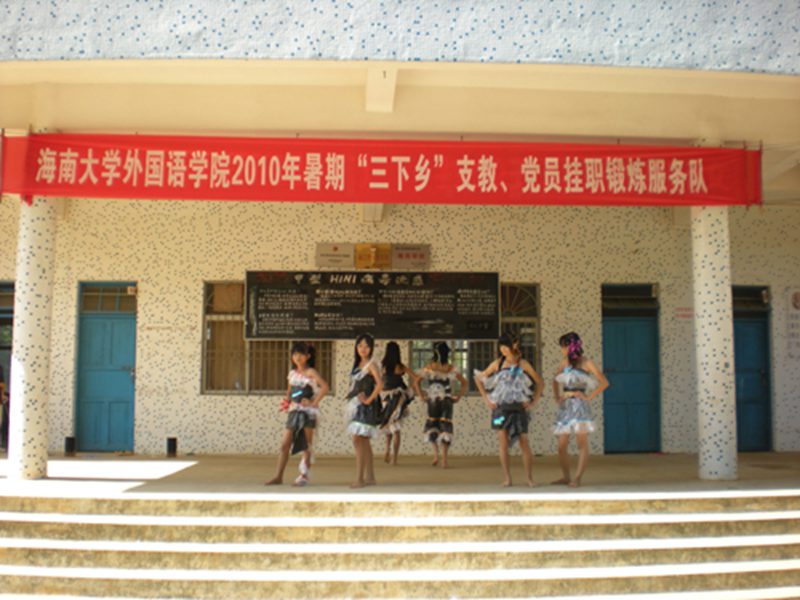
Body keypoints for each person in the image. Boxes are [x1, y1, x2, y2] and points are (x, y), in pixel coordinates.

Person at [475, 333, 543, 487]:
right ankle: (507, 478)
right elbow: (479, 378)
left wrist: (534, 400)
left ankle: (529, 478)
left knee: (524, 442)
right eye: (501, 346)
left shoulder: (523, 364)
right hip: (500, 410)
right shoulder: (497, 364)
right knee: (503, 443)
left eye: (505, 345)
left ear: (514, 345)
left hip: (519, 409)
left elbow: (539, 382)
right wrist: (486, 398)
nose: (503, 349)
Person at [266, 342, 329, 487]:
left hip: (307, 413)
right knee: (284, 445)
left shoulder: (311, 372)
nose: (297, 357)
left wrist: (313, 402)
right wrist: (287, 401)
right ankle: (278, 476)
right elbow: (289, 391)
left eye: (301, 354)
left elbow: (325, 387)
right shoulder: (292, 373)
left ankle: (303, 476)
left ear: (308, 356)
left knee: (306, 445)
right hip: (294, 411)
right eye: (295, 354)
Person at [551, 332, 610, 488]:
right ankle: (566, 476)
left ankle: (577, 478)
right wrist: (557, 396)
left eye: (563, 347)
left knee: (581, 443)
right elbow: (555, 380)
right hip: (565, 406)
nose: (562, 350)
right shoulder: (564, 363)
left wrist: (588, 397)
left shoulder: (586, 362)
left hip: (580, 406)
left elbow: (604, 382)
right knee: (561, 445)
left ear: (571, 347)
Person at [419, 341, 467, 469]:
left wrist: (422, 396)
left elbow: (416, 382)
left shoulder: (430, 367)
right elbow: (464, 383)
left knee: (432, 426)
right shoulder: (450, 368)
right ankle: (444, 460)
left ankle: (436, 456)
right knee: (445, 427)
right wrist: (458, 397)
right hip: (446, 401)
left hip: (433, 401)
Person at [345, 333, 383, 488]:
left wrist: (369, 400)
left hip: (366, 407)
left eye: (366, 346)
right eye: (360, 345)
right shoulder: (358, 365)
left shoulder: (371, 364)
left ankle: (360, 478)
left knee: (358, 439)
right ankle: (370, 477)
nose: (363, 349)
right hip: (356, 406)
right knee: (363, 441)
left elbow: (380, 384)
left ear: (371, 348)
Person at [378, 341, 422, 465]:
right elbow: (417, 378)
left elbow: (379, 381)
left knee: (388, 425)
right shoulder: (400, 367)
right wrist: (412, 387)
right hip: (398, 398)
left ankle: (387, 450)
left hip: (385, 397)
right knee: (396, 429)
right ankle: (394, 458)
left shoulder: (382, 366)